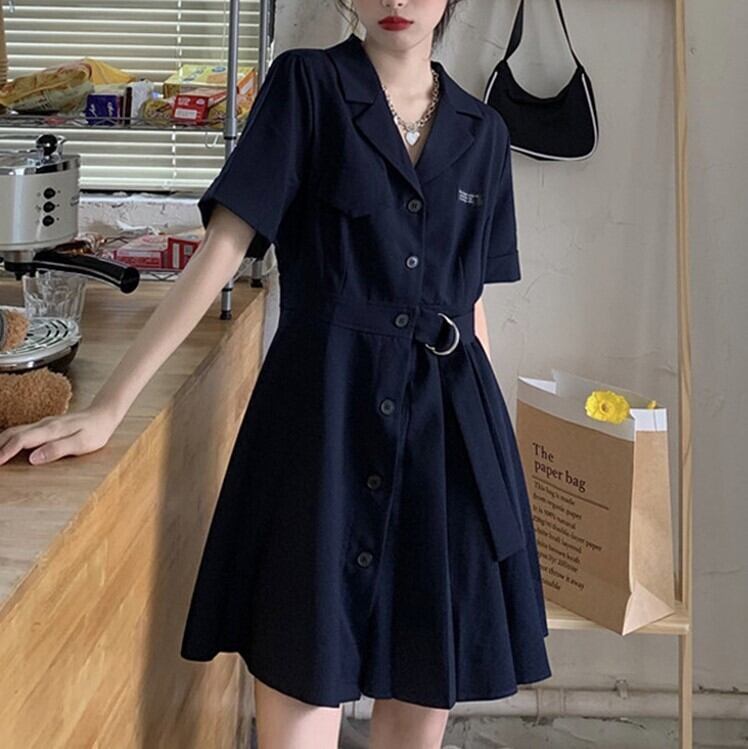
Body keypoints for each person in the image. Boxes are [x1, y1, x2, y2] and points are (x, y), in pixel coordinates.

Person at [0, 1, 552, 747]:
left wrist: (495, 468)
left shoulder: (483, 133)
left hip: (446, 439)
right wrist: (108, 408)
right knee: (300, 676)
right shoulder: (306, 86)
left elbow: (471, 304)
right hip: (320, 424)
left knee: (421, 699)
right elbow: (222, 253)